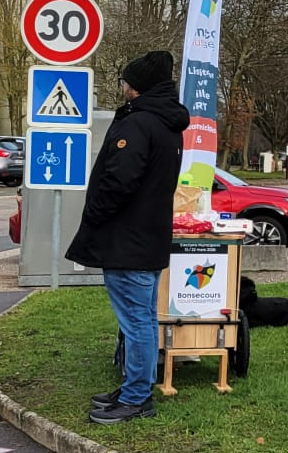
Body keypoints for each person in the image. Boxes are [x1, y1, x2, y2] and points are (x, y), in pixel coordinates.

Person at [65, 51, 189, 425]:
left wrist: (95, 214)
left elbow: (119, 181)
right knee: (144, 320)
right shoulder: (168, 124)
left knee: (137, 322)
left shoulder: (139, 124)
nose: (121, 87)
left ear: (136, 87)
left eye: (124, 81)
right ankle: (136, 387)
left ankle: (137, 396)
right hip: (148, 237)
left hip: (126, 239)